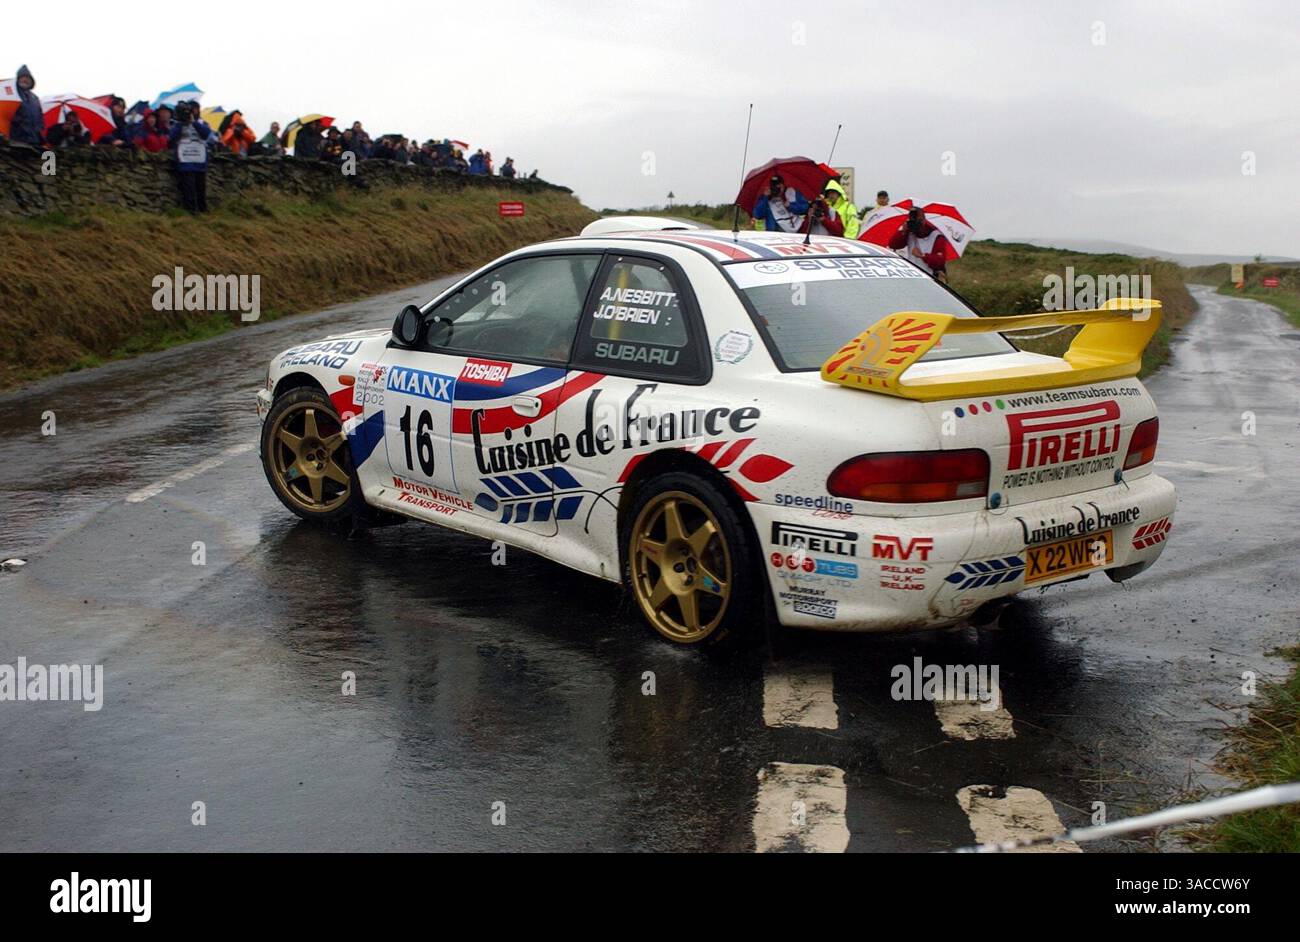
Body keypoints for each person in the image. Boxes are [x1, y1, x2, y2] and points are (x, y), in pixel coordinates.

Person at [169, 101, 212, 213]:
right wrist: (181, 123)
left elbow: (205, 134)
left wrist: (194, 122)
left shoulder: (202, 123)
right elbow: (171, 137)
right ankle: (191, 210)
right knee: (188, 187)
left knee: (201, 187)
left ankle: (203, 209)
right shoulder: (178, 124)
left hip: (200, 159)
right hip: (185, 160)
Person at [888, 206, 952, 280]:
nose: (914, 223)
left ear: (924, 220)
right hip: (913, 276)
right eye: (911, 220)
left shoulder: (936, 236)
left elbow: (939, 262)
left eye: (918, 220)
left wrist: (923, 255)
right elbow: (893, 245)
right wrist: (903, 232)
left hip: (931, 278)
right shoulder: (910, 232)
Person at [9, 64, 45, 146]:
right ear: (18, 79)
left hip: (35, 139)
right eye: (22, 77)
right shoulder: (12, 94)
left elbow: (40, 115)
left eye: (28, 77)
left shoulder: (35, 98)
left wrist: (40, 127)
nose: (25, 79)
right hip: (17, 138)